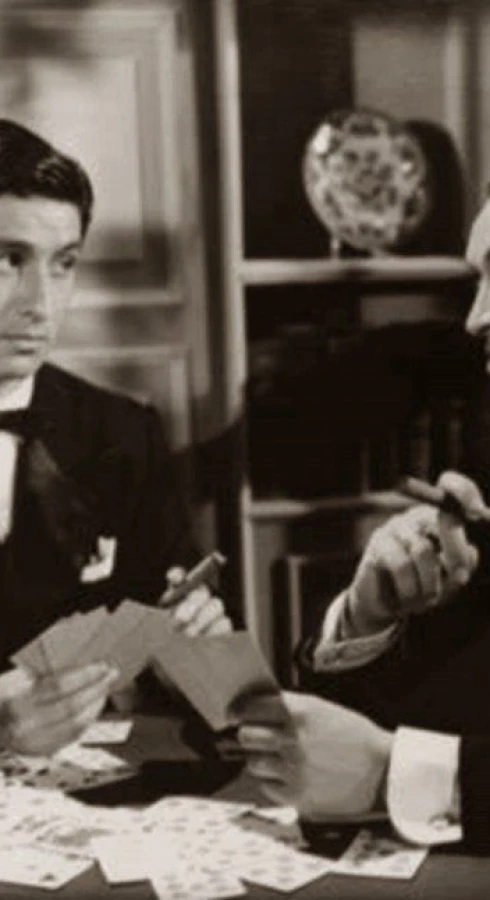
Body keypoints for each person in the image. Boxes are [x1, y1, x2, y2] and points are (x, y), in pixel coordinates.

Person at [237, 123, 490, 859]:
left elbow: (398, 760)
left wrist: (394, 772)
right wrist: (371, 612)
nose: (477, 318)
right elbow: (484, 716)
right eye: (478, 279)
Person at [0, 119, 231, 758]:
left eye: (64, 264)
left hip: (82, 794)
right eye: (8, 259)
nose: (41, 304)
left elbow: (200, 675)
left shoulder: (120, 432)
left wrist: (196, 655)